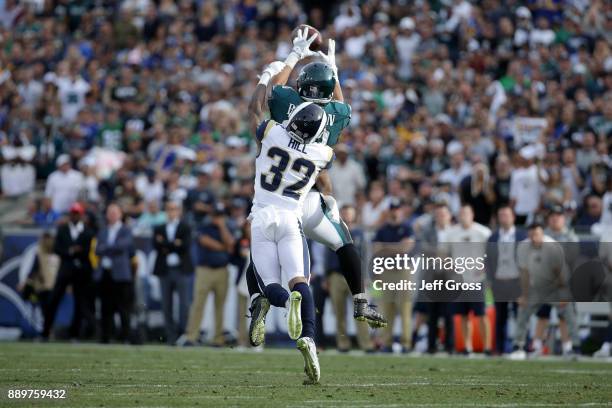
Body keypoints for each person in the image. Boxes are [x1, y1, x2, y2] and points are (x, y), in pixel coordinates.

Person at [246, 35, 386, 349]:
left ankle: (260, 298)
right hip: (306, 197)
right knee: (342, 240)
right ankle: (361, 298)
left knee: (260, 254)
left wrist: (293, 55)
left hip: (275, 200)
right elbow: (340, 103)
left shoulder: (286, 107)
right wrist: (332, 67)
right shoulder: (334, 119)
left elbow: (268, 95)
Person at [248, 102, 334, 383]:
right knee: (300, 280)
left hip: (262, 217)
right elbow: (327, 148)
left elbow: (256, 111)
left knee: (269, 285)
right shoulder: (322, 153)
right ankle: (309, 337)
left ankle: (286, 305)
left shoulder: (272, 132)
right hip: (290, 218)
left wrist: (272, 73)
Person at [509, 223, 578, 360]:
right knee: (523, 311)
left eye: (537, 234)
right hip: (536, 287)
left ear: (543, 234)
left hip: (555, 286)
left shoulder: (552, 247)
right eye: (532, 235)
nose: (534, 238)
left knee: (566, 313)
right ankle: (519, 346)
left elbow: (561, 272)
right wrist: (524, 294)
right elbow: (524, 273)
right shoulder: (523, 247)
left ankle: (572, 347)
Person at [180, 202, 234, 347]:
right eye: (216, 215)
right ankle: (191, 336)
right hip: (204, 270)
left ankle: (218, 339)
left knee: (220, 306)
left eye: (220, 215)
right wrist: (223, 247)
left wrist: (222, 227)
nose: (218, 218)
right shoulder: (203, 226)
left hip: (222, 270)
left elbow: (231, 245)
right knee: (198, 304)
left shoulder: (227, 228)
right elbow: (205, 241)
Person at [440, 204, 491, 355]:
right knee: (462, 315)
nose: (464, 216)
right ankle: (467, 346)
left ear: (472, 214)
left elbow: (492, 253)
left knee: (481, 314)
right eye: (461, 213)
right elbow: (443, 255)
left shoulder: (483, 232)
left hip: (477, 280)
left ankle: (487, 347)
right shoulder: (451, 233)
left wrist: (485, 267)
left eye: (466, 213)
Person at [42, 202, 95, 340]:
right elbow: (57, 249)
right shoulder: (63, 229)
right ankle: (45, 331)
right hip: (65, 269)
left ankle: (74, 334)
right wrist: (71, 251)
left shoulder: (88, 231)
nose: (75, 215)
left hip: (81, 272)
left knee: (79, 303)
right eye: (73, 213)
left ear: (81, 214)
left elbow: (87, 251)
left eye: (77, 213)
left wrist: (72, 251)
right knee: (53, 299)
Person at [325, 204, 373, 352]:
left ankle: (365, 343)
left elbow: (365, 256)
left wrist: (365, 276)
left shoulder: (359, 233)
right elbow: (328, 255)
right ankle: (343, 343)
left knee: (361, 310)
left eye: (349, 213)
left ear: (354, 215)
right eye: (344, 212)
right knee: (339, 312)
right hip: (337, 275)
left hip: (355, 275)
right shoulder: (333, 230)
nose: (347, 215)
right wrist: (327, 276)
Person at [373, 198, 415, 352]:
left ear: (401, 210)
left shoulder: (407, 227)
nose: (395, 211)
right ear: (390, 211)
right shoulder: (382, 229)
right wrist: (397, 247)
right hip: (386, 272)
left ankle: (406, 343)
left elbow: (406, 248)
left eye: (398, 209)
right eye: (393, 209)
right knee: (387, 309)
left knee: (405, 309)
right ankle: (387, 342)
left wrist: (386, 248)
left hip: (403, 271)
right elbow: (376, 250)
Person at [486, 206, 526, 355]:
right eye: (501, 215)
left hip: (517, 281)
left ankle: (522, 346)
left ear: (513, 217)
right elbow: (488, 260)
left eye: (506, 215)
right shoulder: (493, 237)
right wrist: (490, 279)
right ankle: (499, 348)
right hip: (499, 281)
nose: (504, 218)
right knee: (500, 317)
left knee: (520, 316)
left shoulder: (522, 236)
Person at [152, 201, 193, 345]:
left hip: (181, 270)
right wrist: (174, 244)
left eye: (174, 209)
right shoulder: (159, 227)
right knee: (166, 305)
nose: (172, 212)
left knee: (184, 305)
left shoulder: (185, 227)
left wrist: (166, 245)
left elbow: (185, 246)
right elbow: (156, 246)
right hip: (165, 270)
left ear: (179, 211)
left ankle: (183, 335)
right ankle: (170, 336)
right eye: (169, 209)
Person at [95, 204, 135, 343]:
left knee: (123, 308)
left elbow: (123, 246)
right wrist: (110, 248)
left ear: (120, 214)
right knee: (106, 308)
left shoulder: (126, 230)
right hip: (105, 273)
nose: (112, 215)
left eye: (114, 212)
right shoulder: (103, 231)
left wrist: (106, 248)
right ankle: (106, 336)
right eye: (109, 212)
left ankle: (125, 336)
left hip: (120, 274)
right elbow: (97, 250)